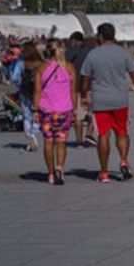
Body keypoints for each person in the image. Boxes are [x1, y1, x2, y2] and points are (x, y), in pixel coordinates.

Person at [79, 22, 134, 183]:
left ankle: (103, 173)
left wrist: (83, 96)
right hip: (120, 100)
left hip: (100, 101)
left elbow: (85, 79)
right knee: (122, 132)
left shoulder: (93, 55)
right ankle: (124, 160)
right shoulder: (122, 53)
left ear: (101, 36)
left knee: (103, 135)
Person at [35, 38, 78, 185]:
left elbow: (37, 91)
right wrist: (74, 109)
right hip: (65, 110)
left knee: (48, 141)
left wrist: (35, 110)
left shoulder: (41, 68)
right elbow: (73, 90)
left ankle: (51, 174)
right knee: (61, 141)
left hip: (46, 110)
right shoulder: (70, 67)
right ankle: (60, 167)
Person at [66, 33, 97, 146]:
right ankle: (88, 135)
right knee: (93, 113)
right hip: (91, 86)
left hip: (76, 87)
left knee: (78, 115)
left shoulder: (68, 53)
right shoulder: (91, 52)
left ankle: (79, 140)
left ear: (74, 40)